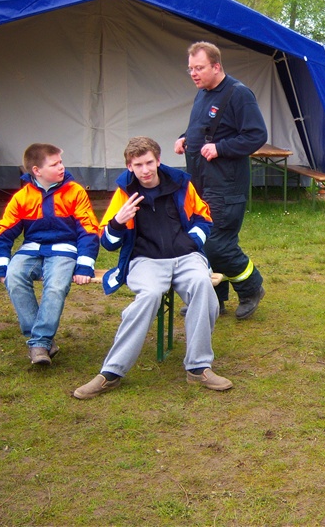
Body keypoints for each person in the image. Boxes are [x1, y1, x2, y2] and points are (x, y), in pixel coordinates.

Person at [73, 137, 232, 399]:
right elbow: (108, 244)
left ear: (158, 161)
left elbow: (204, 218)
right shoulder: (124, 193)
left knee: (203, 286)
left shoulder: (181, 184)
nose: (145, 170)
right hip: (145, 260)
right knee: (149, 296)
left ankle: (198, 368)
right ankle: (111, 373)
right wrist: (117, 222)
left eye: (149, 162)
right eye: (138, 165)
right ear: (129, 166)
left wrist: (191, 241)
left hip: (186, 257)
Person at [174, 41, 267, 320]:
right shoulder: (203, 93)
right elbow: (203, 128)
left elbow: (256, 135)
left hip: (227, 185)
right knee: (202, 240)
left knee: (217, 243)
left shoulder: (239, 94)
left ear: (216, 66)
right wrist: (184, 138)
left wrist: (221, 148)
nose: (193, 73)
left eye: (199, 68)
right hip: (200, 182)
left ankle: (251, 287)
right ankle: (215, 299)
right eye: (190, 68)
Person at [0, 143, 99, 365]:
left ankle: (39, 343)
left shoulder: (75, 192)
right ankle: (42, 341)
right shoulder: (22, 197)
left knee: (56, 286)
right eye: (54, 164)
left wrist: (84, 266)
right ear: (36, 171)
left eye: (61, 162)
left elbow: (89, 231)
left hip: (64, 251)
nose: (62, 167)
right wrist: (0, 268)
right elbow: (1, 234)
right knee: (13, 277)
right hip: (31, 249)